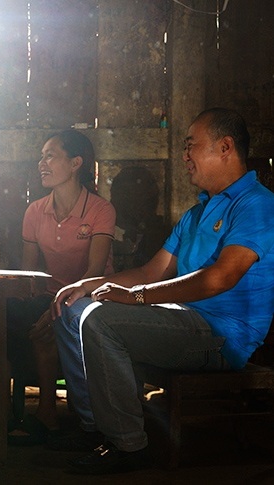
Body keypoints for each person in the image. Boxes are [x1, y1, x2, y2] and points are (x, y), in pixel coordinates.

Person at [51, 108, 274, 474]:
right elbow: (151, 272)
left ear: (225, 147)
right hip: (182, 321)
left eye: (191, 146)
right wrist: (86, 285)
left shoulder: (257, 205)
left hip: (221, 336)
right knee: (73, 308)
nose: (185, 156)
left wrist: (135, 296)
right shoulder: (197, 213)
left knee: (101, 320)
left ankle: (128, 444)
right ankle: (93, 427)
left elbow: (220, 278)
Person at [6, 130, 115, 445]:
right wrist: (43, 304)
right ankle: (23, 412)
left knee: (55, 323)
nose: (42, 163)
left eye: (50, 156)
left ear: (76, 163)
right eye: (41, 156)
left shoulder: (100, 210)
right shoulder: (35, 211)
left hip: (93, 296)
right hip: (48, 296)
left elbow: (95, 272)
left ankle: (54, 414)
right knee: (8, 317)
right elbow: (29, 274)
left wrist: (58, 310)